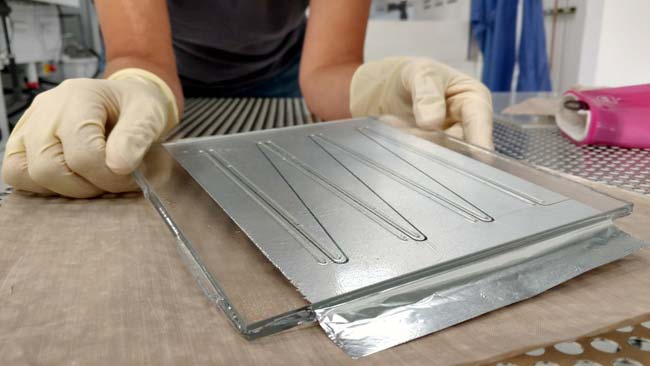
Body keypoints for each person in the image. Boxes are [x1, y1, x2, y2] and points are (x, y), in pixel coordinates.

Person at [2, 0, 493, 198]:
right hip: (165, 77)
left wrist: (380, 89)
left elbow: (326, 72)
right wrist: (137, 87)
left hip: (282, 74)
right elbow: (139, 51)